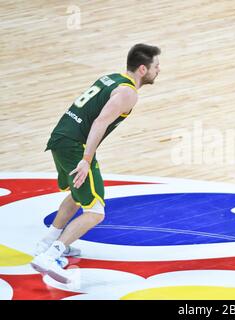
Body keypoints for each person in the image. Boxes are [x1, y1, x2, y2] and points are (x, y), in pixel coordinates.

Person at [30, 43, 161, 283]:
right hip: (74, 145)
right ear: (143, 69)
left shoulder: (112, 77)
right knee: (95, 210)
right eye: (156, 66)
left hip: (61, 137)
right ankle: (52, 255)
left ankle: (47, 242)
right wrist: (86, 160)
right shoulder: (128, 93)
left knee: (77, 194)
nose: (158, 70)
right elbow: (100, 122)